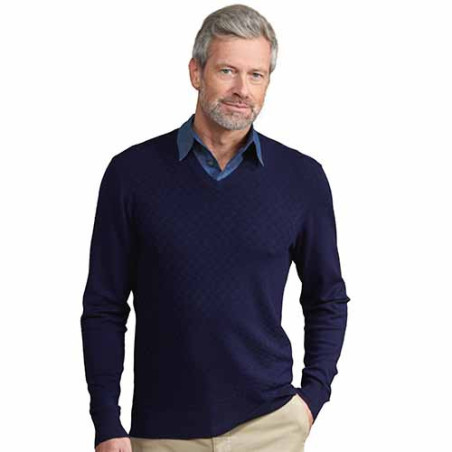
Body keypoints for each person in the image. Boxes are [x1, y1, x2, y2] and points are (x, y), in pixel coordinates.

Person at [80, 4, 350, 451]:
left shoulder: (302, 179)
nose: (242, 89)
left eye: (256, 75)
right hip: (161, 433)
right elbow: (104, 305)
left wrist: (312, 398)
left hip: (271, 427)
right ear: (196, 72)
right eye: (227, 71)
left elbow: (328, 298)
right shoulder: (131, 174)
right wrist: (106, 420)